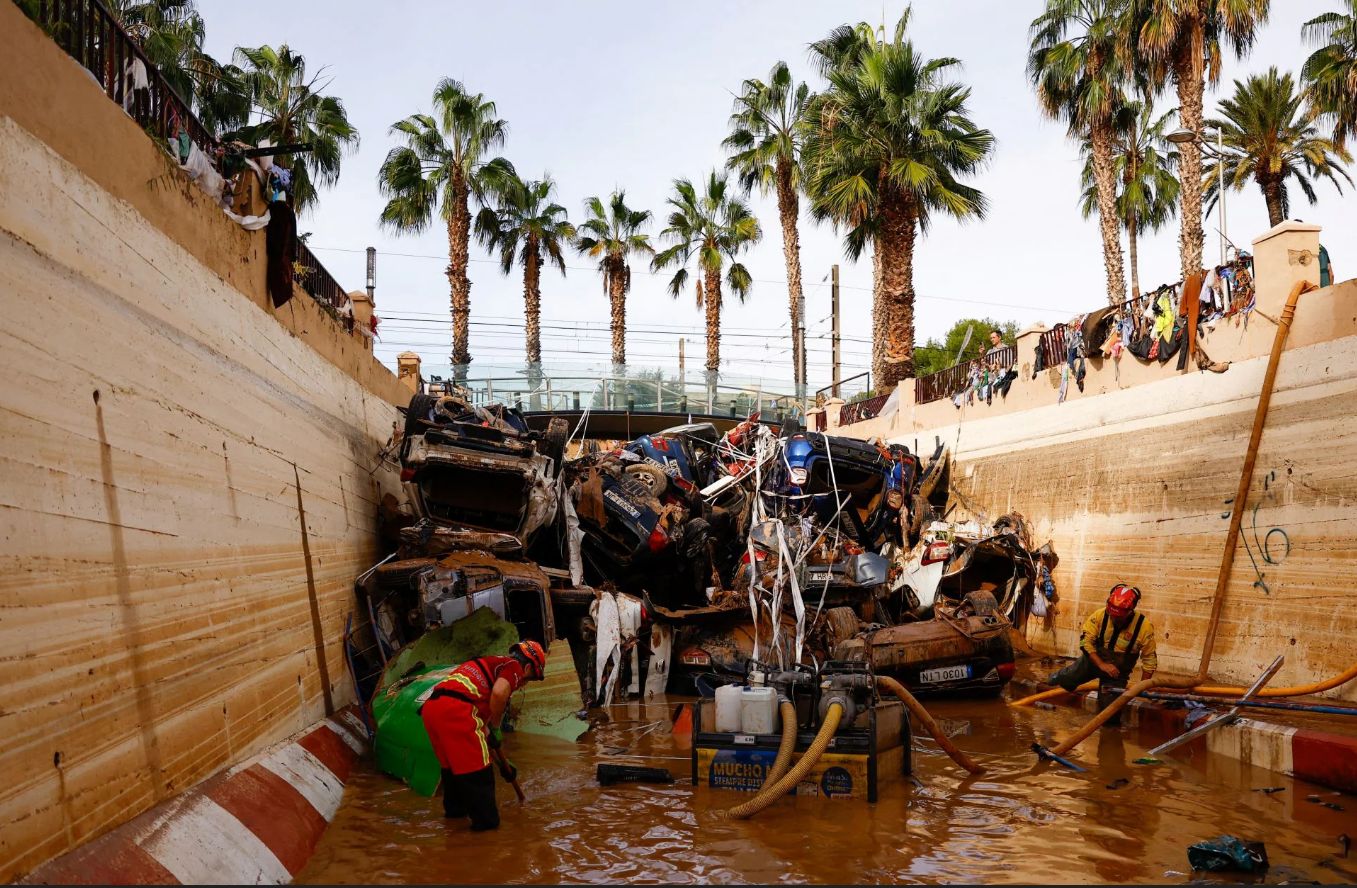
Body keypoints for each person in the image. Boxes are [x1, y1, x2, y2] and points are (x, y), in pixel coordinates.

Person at [419, 640, 547, 830]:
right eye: (529, 678)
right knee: (483, 794)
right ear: (527, 666)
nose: (523, 684)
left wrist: (502, 763)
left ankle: (453, 841)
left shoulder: (488, 669)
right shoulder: (512, 666)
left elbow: (482, 735)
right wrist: (496, 726)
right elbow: (498, 694)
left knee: (454, 780)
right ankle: (485, 845)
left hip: (432, 711)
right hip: (457, 712)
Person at [1048, 584, 1157, 724]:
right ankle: (1051, 679)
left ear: (1131, 611)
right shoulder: (1099, 615)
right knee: (1066, 677)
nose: (1115, 619)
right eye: (1112, 616)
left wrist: (1142, 687)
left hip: (1116, 675)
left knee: (1110, 716)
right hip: (1092, 662)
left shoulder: (1144, 627)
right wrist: (1102, 664)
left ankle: (1108, 738)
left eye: (1119, 617)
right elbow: (1085, 643)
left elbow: (1149, 660)